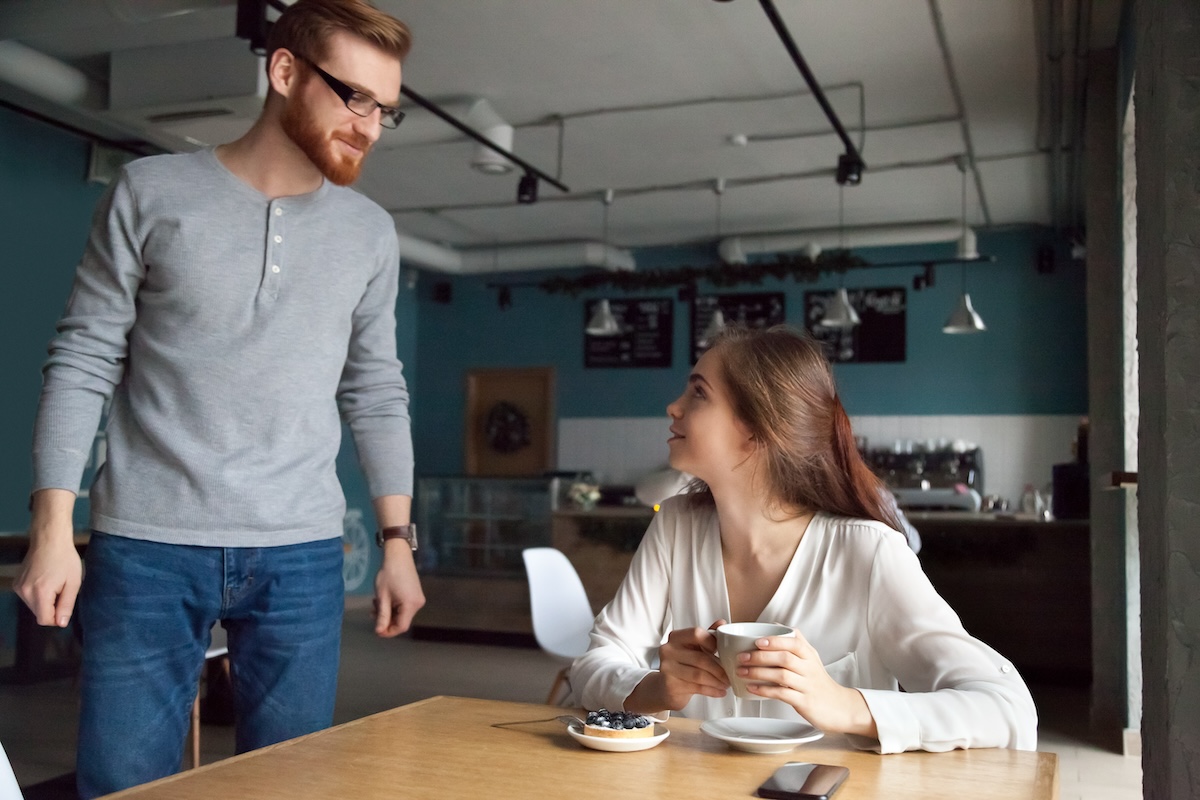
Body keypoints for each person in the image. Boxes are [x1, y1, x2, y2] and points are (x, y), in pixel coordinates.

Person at [13, 1, 422, 795]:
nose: (371, 125)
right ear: (283, 72)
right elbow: (83, 359)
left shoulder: (371, 233)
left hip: (302, 553)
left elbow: (375, 389)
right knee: (124, 782)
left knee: (294, 784)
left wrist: (398, 541)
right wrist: (53, 527)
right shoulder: (150, 191)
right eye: (354, 97)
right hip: (147, 544)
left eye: (386, 109)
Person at [569, 325, 1036, 753]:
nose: (674, 406)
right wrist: (658, 687)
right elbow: (593, 663)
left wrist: (842, 703)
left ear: (757, 429)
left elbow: (1008, 708)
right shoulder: (675, 526)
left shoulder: (869, 551)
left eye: (698, 393)